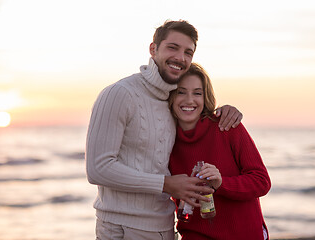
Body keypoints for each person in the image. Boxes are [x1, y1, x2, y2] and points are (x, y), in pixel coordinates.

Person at [85, 20, 243, 240]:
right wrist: (166, 184)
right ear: (153, 49)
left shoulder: (171, 100)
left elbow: (194, 112)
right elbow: (98, 168)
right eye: (172, 47)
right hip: (121, 227)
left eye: (188, 52)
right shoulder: (119, 94)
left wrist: (226, 111)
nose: (180, 57)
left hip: (165, 226)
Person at [168, 63, 271, 240]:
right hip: (195, 234)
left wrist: (221, 183)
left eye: (197, 93)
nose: (189, 100)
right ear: (170, 96)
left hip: (244, 234)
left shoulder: (226, 126)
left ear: (205, 96)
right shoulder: (164, 138)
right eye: (181, 92)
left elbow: (262, 181)